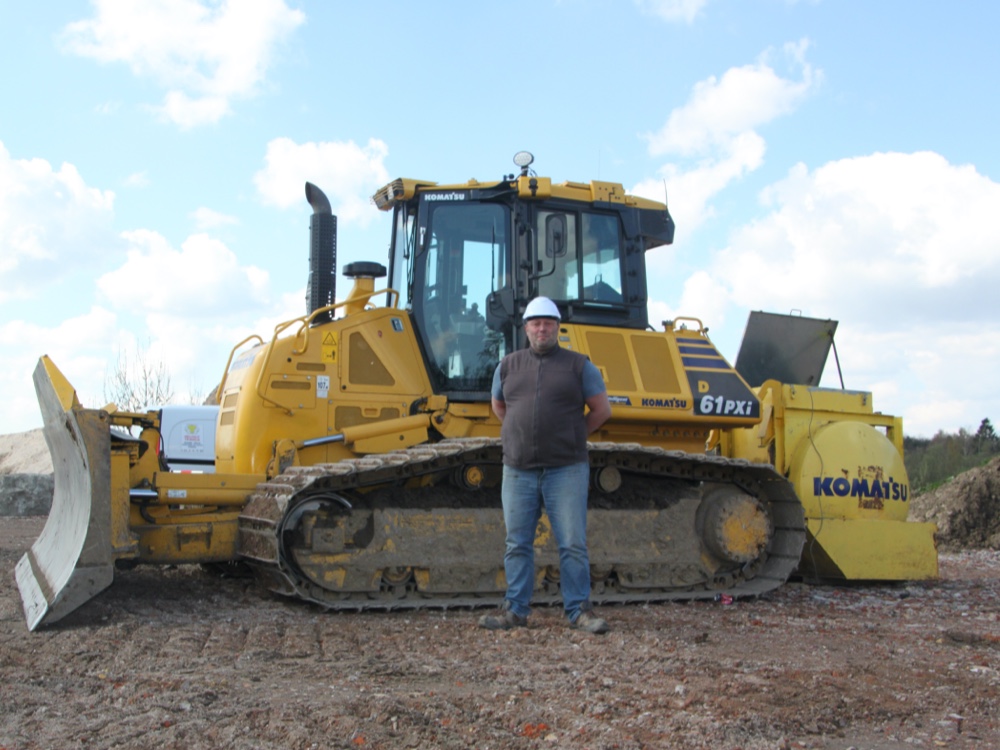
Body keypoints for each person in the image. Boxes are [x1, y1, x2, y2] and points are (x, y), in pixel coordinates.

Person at [479, 296, 613, 634]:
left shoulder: (579, 365)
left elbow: (601, 411)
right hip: (519, 469)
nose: (542, 329)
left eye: (548, 324)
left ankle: (579, 612)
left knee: (571, 542)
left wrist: (572, 434)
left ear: (557, 328)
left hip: (565, 469)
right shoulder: (508, 366)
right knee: (517, 543)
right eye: (536, 323)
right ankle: (515, 610)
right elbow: (499, 406)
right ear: (526, 328)